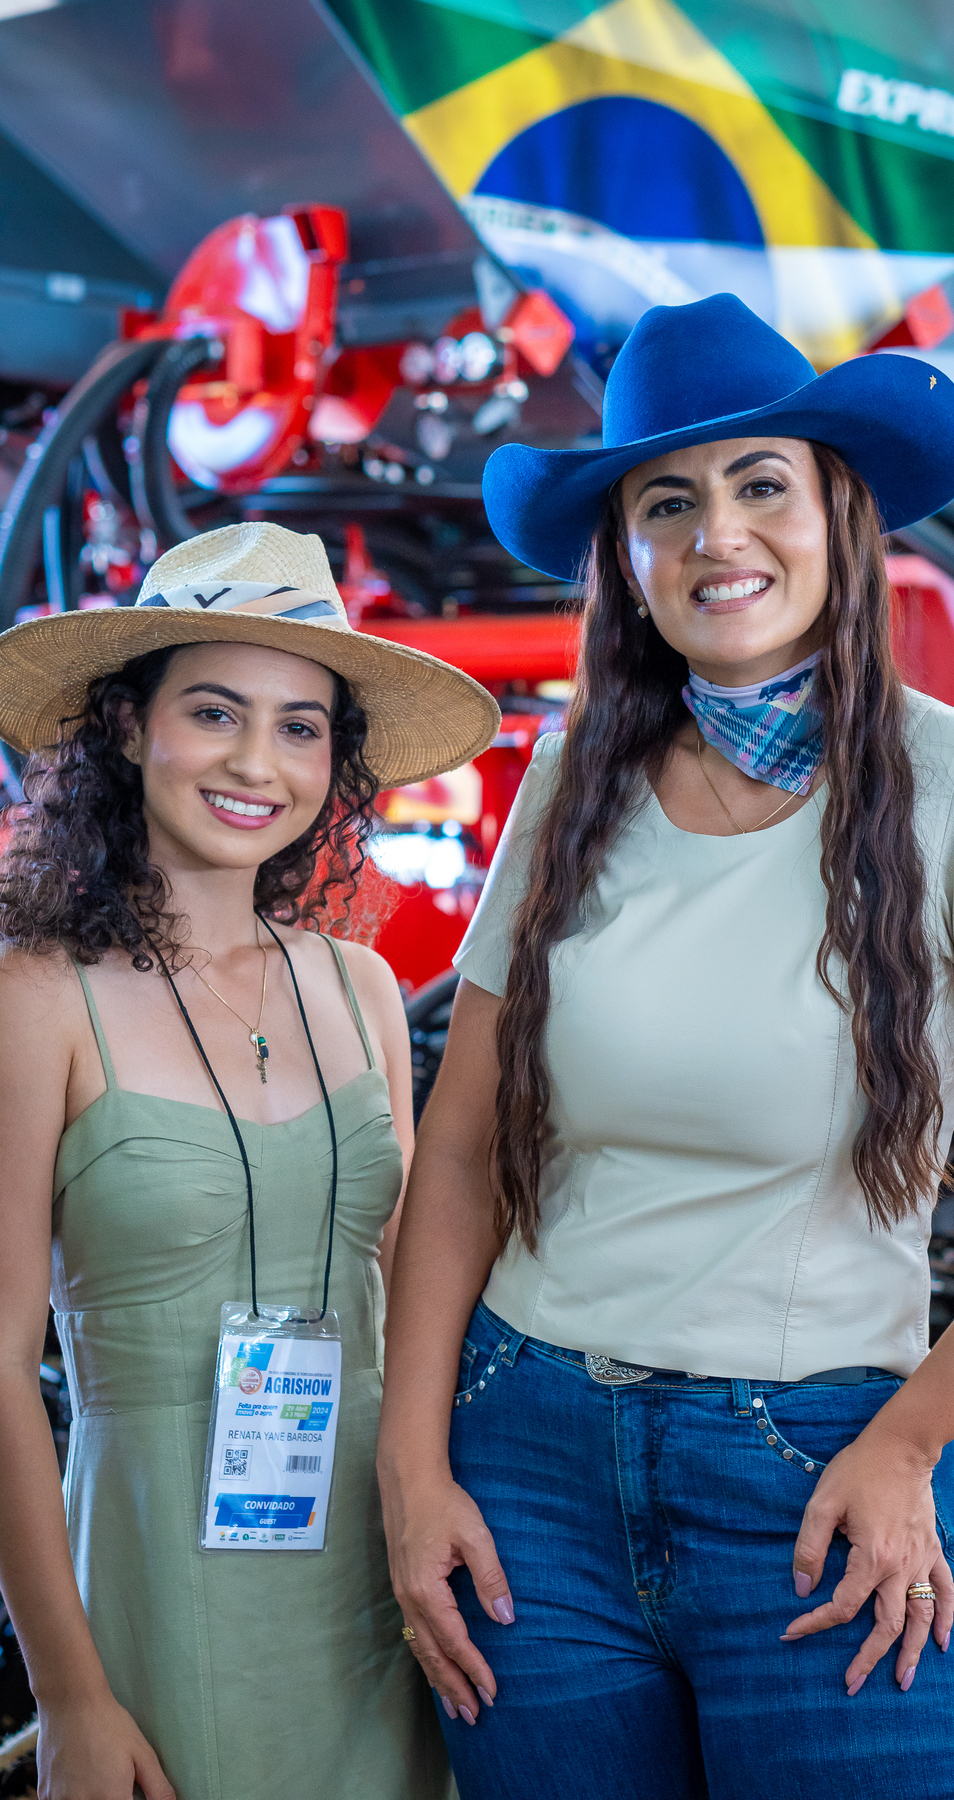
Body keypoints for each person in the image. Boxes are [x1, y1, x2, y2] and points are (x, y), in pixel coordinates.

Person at [375, 295, 954, 1800]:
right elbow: (469, 1149)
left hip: (822, 1471)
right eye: (664, 501)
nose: (717, 534)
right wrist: (412, 1471)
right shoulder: (571, 774)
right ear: (622, 552)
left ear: (839, 515)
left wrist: (910, 1441)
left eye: (763, 483)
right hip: (530, 1468)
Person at [0, 521, 498, 1800]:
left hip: (384, 1569)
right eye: (215, 712)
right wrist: (69, 1696)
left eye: (299, 727)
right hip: (164, 1569)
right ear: (127, 727)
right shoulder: (38, 1000)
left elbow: (402, 1297)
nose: (255, 763)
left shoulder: (364, 987)